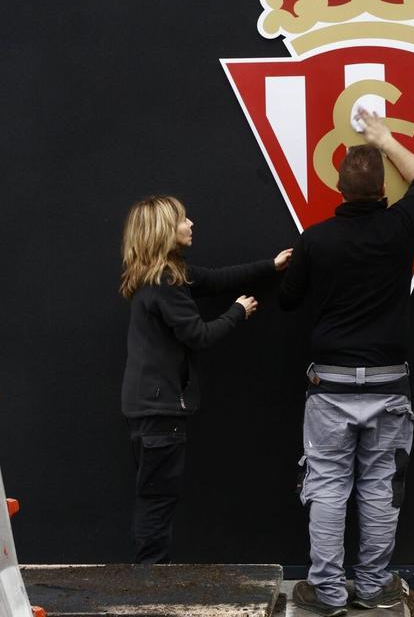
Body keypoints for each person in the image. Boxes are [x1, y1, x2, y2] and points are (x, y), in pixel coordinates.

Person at [279, 108, 414, 615]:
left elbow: (287, 301)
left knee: (327, 486)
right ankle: (372, 587)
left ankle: (326, 593)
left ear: (340, 190)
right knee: (378, 487)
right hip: (390, 386)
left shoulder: (316, 239)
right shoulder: (398, 225)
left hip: (331, 387)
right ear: (381, 192)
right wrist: (387, 138)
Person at [119, 195, 291, 564]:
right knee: (157, 500)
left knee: (153, 496)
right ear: (165, 230)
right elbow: (199, 335)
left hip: (148, 409)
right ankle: (150, 581)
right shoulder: (165, 282)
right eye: (182, 219)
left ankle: (149, 578)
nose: (191, 223)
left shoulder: (161, 275)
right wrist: (237, 312)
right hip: (160, 412)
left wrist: (271, 266)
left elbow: (214, 279)